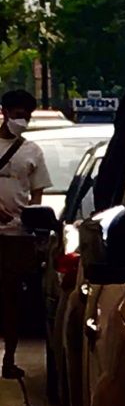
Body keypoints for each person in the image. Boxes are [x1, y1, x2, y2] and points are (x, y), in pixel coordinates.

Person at [0, 88, 51, 379]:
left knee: (12, 300)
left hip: (17, 237)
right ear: (5, 112)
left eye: (27, 116)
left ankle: (9, 360)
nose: (23, 120)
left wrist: (34, 225)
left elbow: (37, 194)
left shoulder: (32, 151)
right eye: (19, 114)